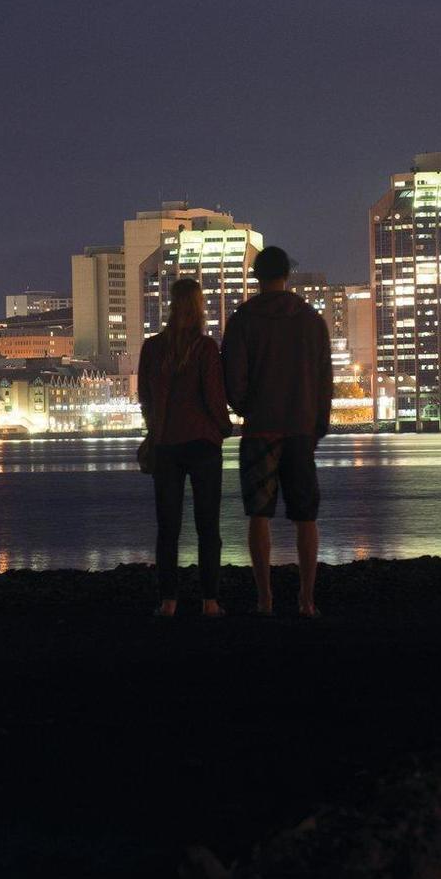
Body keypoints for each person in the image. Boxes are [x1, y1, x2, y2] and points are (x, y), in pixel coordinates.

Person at [220, 245, 333, 617]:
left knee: (259, 515)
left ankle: (265, 599)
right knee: (306, 516)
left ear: (257, 277)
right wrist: (317, 423)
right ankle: (307, 599)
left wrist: (246, 407)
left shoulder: (242, 320)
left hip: (260, 431)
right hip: (300, 428)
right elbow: (323, 379)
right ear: (287, 275)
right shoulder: (311, 320)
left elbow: (232, 379)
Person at [137, 277, 230, 617]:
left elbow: (145, 397)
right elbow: (214, 397)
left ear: (171, 305)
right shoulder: (205, 349)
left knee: (168, 527)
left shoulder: (152, 348)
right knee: (208, 527)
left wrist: (154, 428)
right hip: (204, 443)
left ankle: (168, 601)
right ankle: (210, 601)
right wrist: (224, 426)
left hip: (166, 445)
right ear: (199, 305)